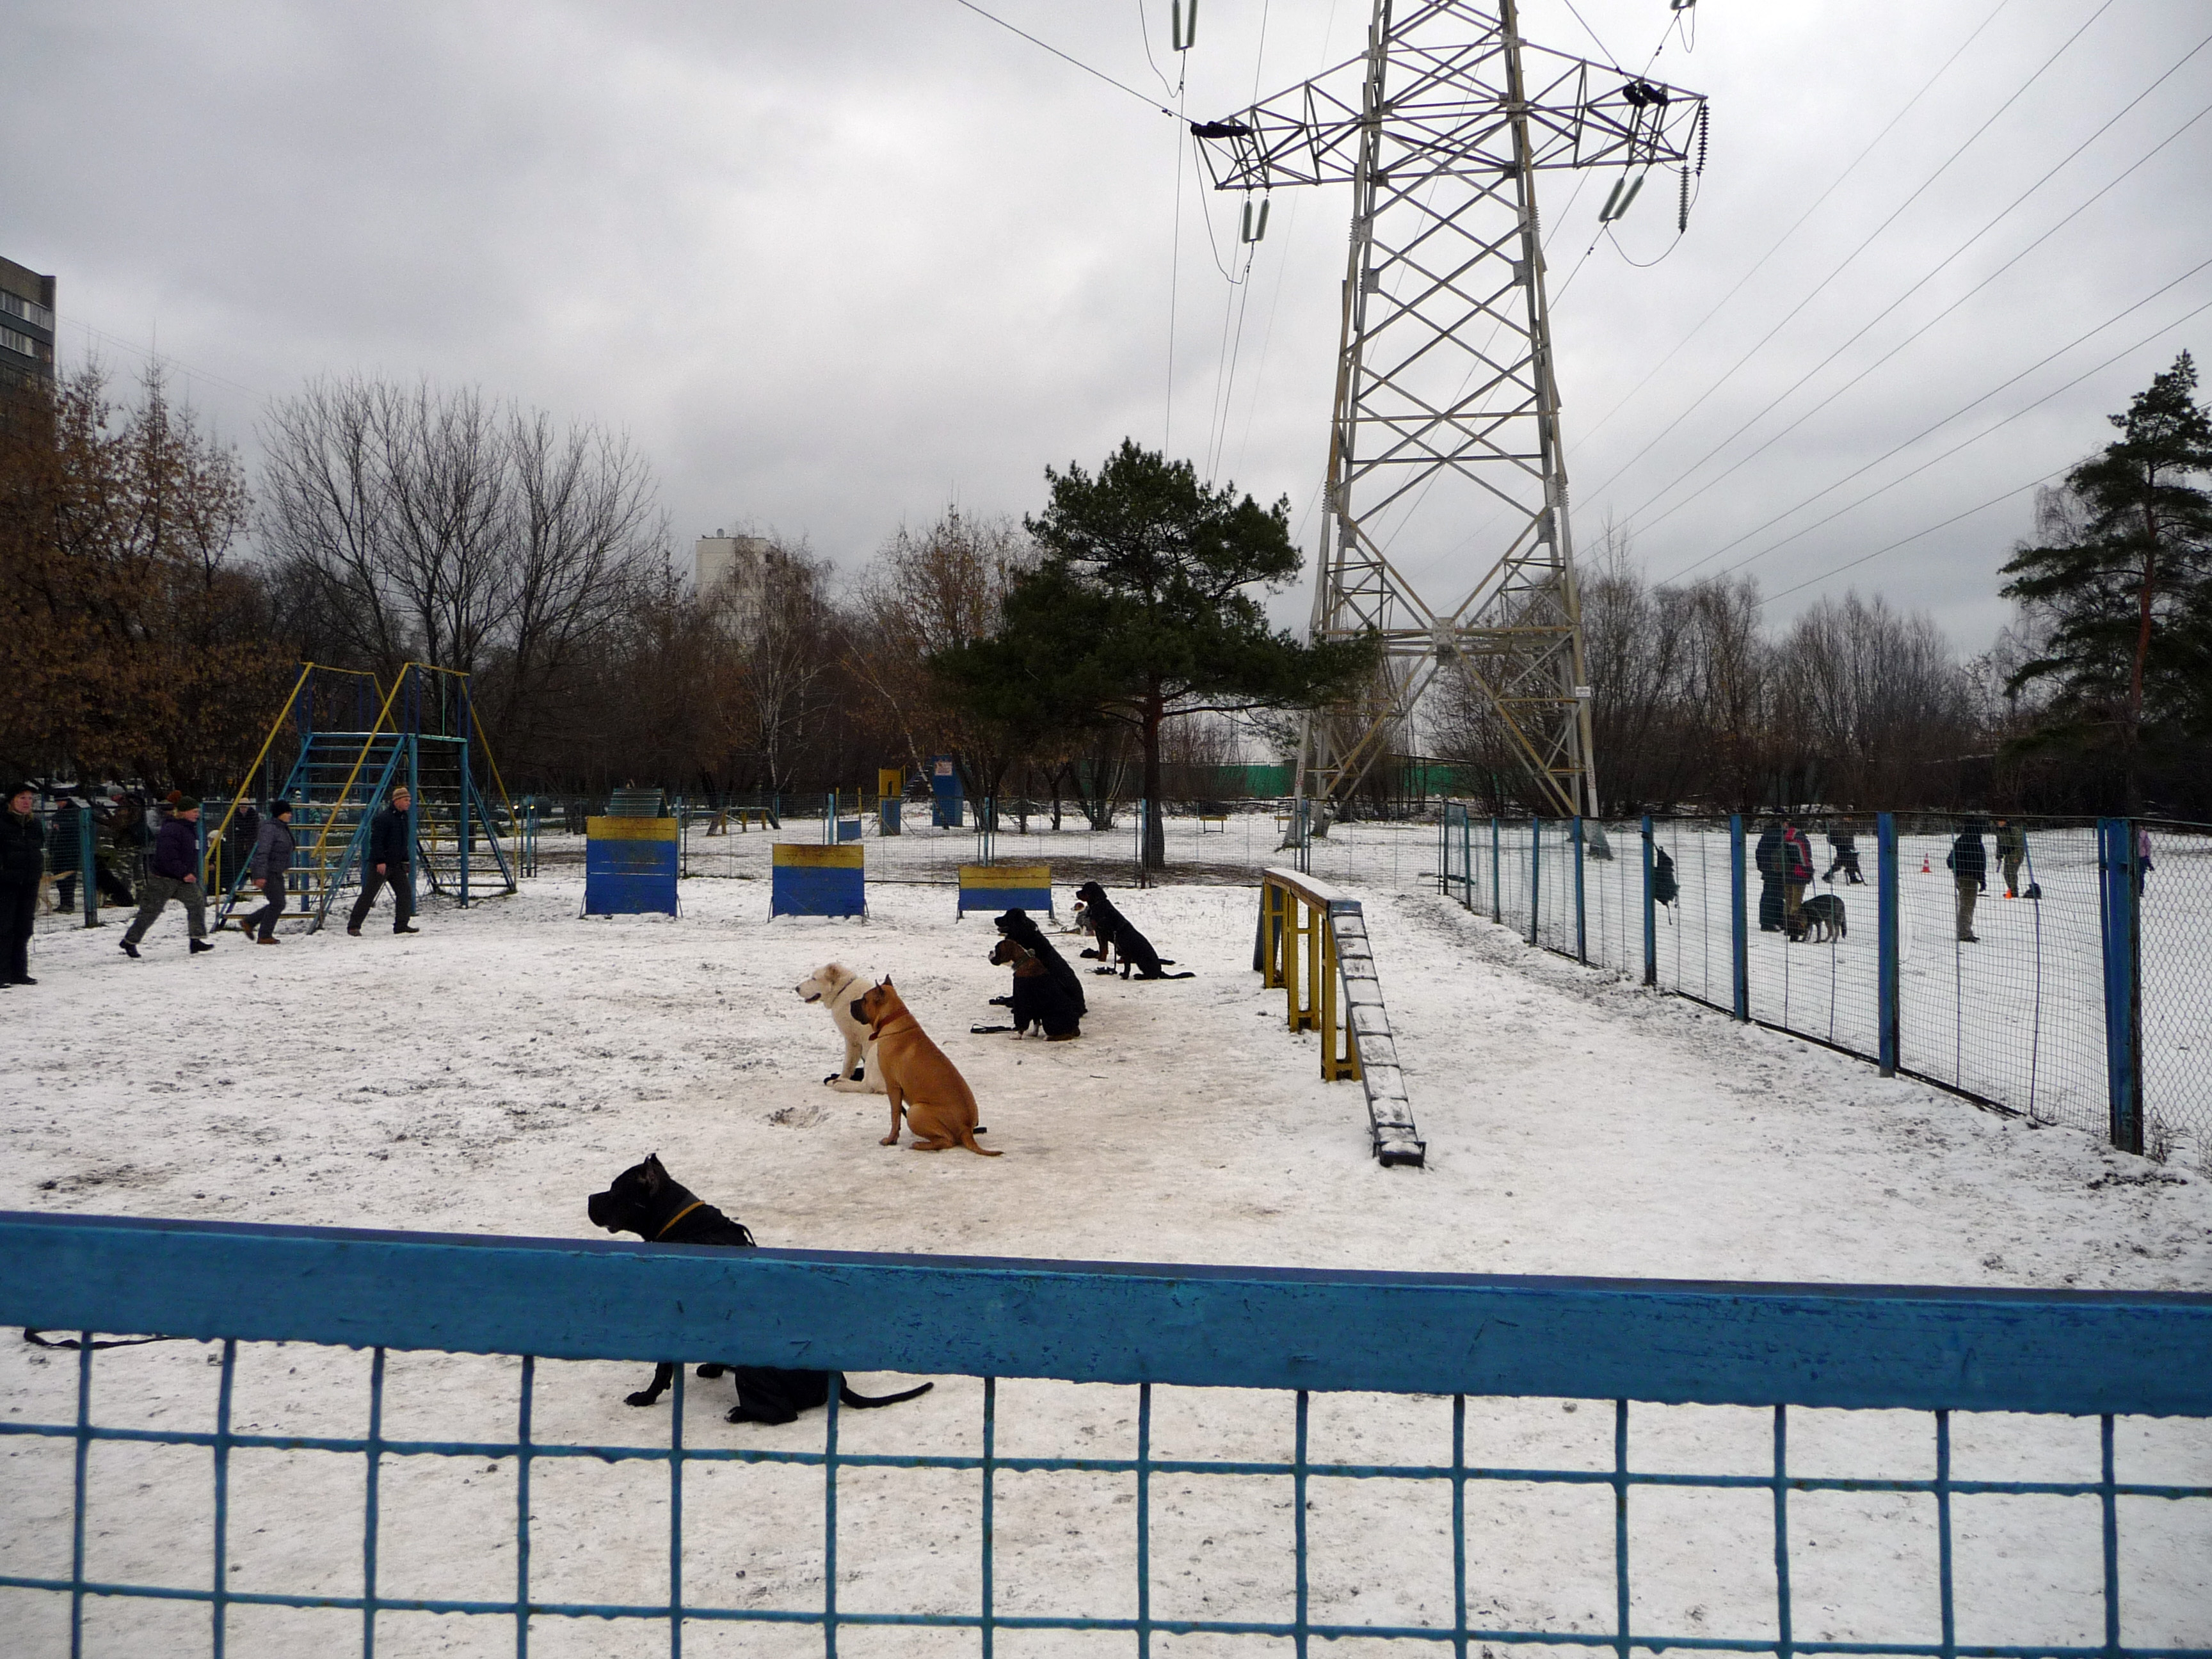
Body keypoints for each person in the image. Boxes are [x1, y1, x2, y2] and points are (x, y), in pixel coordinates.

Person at [122, 795, 215, 958]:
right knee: (151, 911)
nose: (197, 814)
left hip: (181, 877)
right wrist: (184, 873)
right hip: (163, 879)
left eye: (198, 811)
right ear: (183, 812)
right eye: (194, 811)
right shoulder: (172, 829)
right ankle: (130, 941)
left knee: (197, 902)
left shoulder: (189, 828)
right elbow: (167, 856)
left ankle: (196, 939)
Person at [348, 785, 419, 936]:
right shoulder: (383, 819)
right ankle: (354, 926)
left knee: (405, 893)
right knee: (369, 894)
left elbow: (403, 841)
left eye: (410, 800)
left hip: (397, 864)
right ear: (397, 801)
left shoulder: (403, 818)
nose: (409, 803)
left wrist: (405, 860)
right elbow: (377, 841)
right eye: (406, 800)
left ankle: (401, 925)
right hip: (382, 864)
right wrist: (380, 861)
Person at [1, 782, 46, 986]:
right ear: (11, 801)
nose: (27, 802)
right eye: (22, 798)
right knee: (4, 928)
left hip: (29, 882)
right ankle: (2, 973)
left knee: (24, 928)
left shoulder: (35, 824)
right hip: (6, 883)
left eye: (30, 798)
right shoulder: (2, 822)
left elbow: (38, 848)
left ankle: (19, 972)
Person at [244, 798, 297, 944]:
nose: (290, 815)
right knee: (278, 903)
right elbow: (262, 852)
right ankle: (264, 935)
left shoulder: (281, 828)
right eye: (287, 812)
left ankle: (250, 922)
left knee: (278, 903)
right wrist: (260, 875)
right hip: (268, 871)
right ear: (279, 814)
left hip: (276, 871)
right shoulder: (270, 829)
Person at [1946, 817, 1988, 943]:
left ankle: (1966, 931)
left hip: (1960, 876)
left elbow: (1950, 861)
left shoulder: (1961, 840)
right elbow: (1979, 863)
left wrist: (1957, 871)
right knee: (1967, 905)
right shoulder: (1974, 842)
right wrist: (1982, 879)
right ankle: (1964, 933)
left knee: (1966, 904)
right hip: (1970, 878)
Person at [1781, 815, 1814, 933]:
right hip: (1799, 873)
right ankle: (1795, 927)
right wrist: (1809, 870)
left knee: (1788, 900)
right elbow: (1804, 857)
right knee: (1797, 901)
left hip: (1787, 872)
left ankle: (1786, 924)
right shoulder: (1800, 839)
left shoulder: (1785, 836)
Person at [1754, 815, 1786, 933]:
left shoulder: (1767, 835)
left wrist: (1762, 867)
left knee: (1773, 894)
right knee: (1773, 895)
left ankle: (1775, 920)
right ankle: (1770, 922)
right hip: (1777, 870)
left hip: (1768, 869)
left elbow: (1759, 853)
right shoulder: (1780, 836)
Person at [1994, 817, 2027, 897]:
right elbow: (1999, 843)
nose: (2000, 823)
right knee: (2006, 873)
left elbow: (2020, 844)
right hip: (2008, 854)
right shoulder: (1999, 831)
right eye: (1998, 822)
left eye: (2002, 821)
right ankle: (2011, 889)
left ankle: (2014, 891)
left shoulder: (2013, 830)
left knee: (2012, 872)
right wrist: (1999, 854)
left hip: (2015, 853)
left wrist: (2017, 856)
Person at [1823, 821, 1864, 885]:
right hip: (1842, 847)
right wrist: (1841, 843)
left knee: (1850, 861)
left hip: (1848, 847)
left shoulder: (1849, 826)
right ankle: (1827, 876)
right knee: (1842, 862)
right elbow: (1839, 837)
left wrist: (1851, 846)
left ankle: (1853, 878)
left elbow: (1850, 838)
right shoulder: (1839, 826)